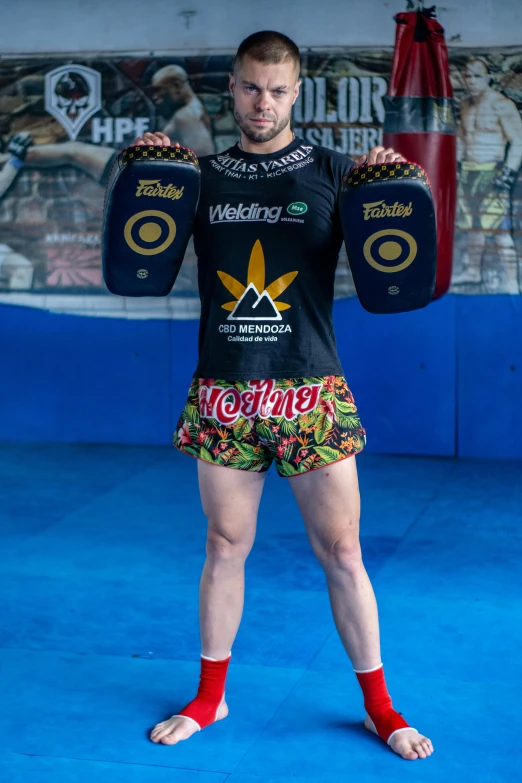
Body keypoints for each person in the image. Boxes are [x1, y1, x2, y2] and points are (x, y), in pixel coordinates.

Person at [132, 31, 434, 761]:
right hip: (225, 390)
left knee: (342, 550)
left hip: (310, 386)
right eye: (248, 87)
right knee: (224, 545)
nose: (261, 103)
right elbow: (142, 251)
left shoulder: (336, 172)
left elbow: (396, 260)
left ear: (296, 94)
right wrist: (143, 170)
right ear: (230, 89)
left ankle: (381, 707)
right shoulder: (198, 179)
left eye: (276, 90)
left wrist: (402, 186)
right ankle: (210, 697)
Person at [454, 57, 522, 292]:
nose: (471, 81)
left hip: (492, 172)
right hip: (469, 173)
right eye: (468, 76)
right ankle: (473, 272)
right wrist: (455, 166)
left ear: (488, 78)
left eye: (477, 76)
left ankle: (513, 282)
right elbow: (462, 139)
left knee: (500, 230)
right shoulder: (464, 105)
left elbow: (518, 141)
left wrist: (508, 173)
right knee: (473, 227)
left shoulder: (501, 105)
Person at [150, 65, 215, 156]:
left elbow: (202, 155)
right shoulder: (194, 107)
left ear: (177, 86)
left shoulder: (186, 115)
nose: (155, 97)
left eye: (159, 90)